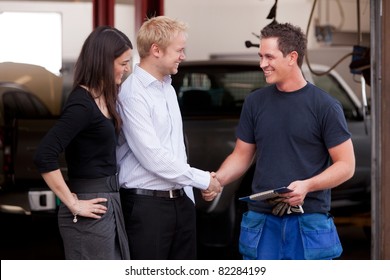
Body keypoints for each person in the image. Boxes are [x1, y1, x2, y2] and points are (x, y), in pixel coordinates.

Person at [203, 22, 355, 260]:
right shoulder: (255, 103)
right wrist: (217, 181)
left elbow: (346, 166)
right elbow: (242, 155)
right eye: (261, 56)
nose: (262, 64)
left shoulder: (325, 106)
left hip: (309, 223)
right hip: (262, 222)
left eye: (269, 57)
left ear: (292, 57)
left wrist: (307, 185)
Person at [116, 15, 222, 260]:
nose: (183, 56)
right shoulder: (133, 94)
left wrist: (192, 188)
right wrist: (202, 179)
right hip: (148, 209)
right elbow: (153, 157)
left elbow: (175, 149)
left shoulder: (168, 88)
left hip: (180, 203)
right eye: (179, 50)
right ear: (156, 50)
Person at [34, 26, 133, 260]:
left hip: (109, 202)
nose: (128, 69)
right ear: (104, 62)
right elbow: (44, 155)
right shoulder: (82, 104)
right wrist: (73, 204)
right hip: (90, 207)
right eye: (123, 63)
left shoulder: (105, 97)